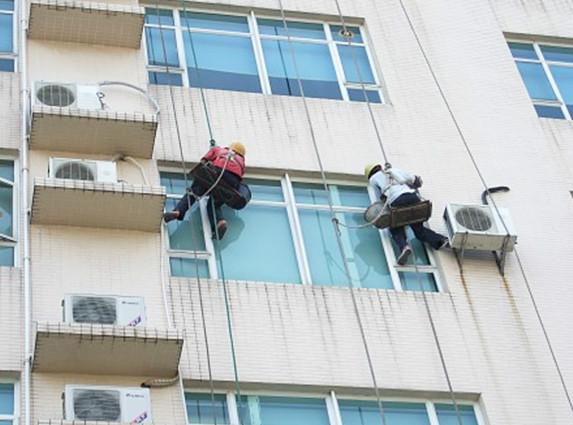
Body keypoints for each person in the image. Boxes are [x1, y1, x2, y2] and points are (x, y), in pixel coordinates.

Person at [365, 163, 449, 265]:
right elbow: (414, 179)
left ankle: (404, 247)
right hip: (412, 198)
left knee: (395, 228)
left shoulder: (373, 179)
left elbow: (378, 202)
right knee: (419, 230)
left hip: (397, 201)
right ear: (379, 167)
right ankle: (441, 240)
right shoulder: (393, 170)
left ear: (369, 174)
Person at [163, 142, 247, 240]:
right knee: (214, 204)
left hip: (217, 173)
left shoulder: (221, 150)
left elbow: (208, 155)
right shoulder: (242, 161)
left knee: (193, 193)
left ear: (230, 147)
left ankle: (178, 211)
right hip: (232, 182)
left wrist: (204, 160)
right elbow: (241, 175)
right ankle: (220, 222)